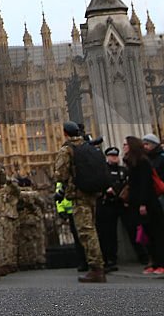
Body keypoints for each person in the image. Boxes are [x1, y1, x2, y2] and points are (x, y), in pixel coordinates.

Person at [53, 121, 105, 282]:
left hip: (78, 195)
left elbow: (60, 175)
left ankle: (96, 268)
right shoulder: (89, 146)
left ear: (65, 133)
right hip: (92, 193)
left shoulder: (67, 149)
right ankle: (98, 265)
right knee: (93, 228)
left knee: (86, 231)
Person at [123, 136, 164, 274]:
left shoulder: (143, 162)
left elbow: (145, 185)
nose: (124, 147)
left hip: (148, 203)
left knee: (156, 233)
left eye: (126, 144)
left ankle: (161, 263)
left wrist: (142, 204)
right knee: (147, 234)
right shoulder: (133, 162)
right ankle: (153, 263)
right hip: (138, 203)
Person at [96, 146, 127, 272]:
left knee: (120, 231)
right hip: (107, 205)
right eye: (112, 156)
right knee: (107, 233)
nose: (114, 158)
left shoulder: (123, 170)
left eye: (116, 156)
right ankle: (108, 259)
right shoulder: (103, 171)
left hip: (120, 203)